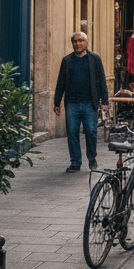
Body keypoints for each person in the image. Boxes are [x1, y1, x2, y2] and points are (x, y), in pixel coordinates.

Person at [53, 31, 109, 172]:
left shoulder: (94, 59)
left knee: (91, 131)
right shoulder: (67, 60)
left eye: (81, 40)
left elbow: (102, 80)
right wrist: (57, 102)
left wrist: (105, 101)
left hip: (89, 103)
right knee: (72, 132)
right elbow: (61, 82)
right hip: (72, 103)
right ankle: (75, 162)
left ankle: (91, 157)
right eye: (75, 41)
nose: (78, 43)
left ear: (86, 42)